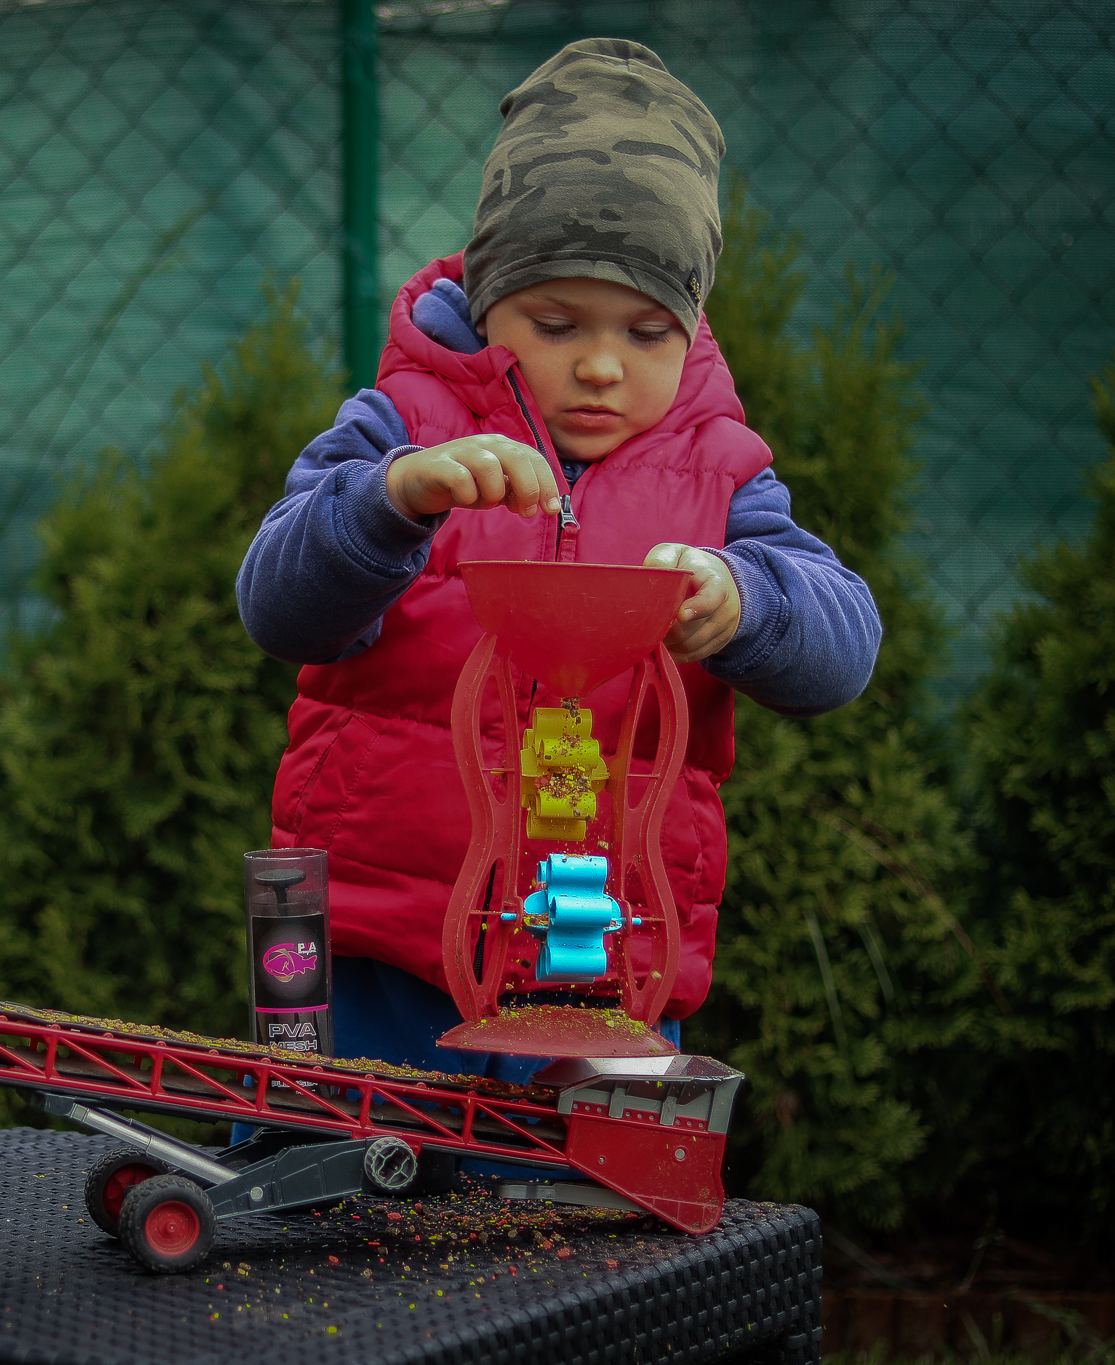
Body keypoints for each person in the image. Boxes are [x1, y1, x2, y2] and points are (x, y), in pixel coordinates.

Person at [236, 38, 882, 1092]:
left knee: (576, 1242)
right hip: (378, 955)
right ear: (486, 298)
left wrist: (744, 603)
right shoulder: (404, 428)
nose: (598, 363)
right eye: (554, 321)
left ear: (690, 328)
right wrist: (394, 500)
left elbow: (843, 648)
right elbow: (277, 608)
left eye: (644, 330)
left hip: (603, 965)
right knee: (340, 1210)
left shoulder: (720, 475)